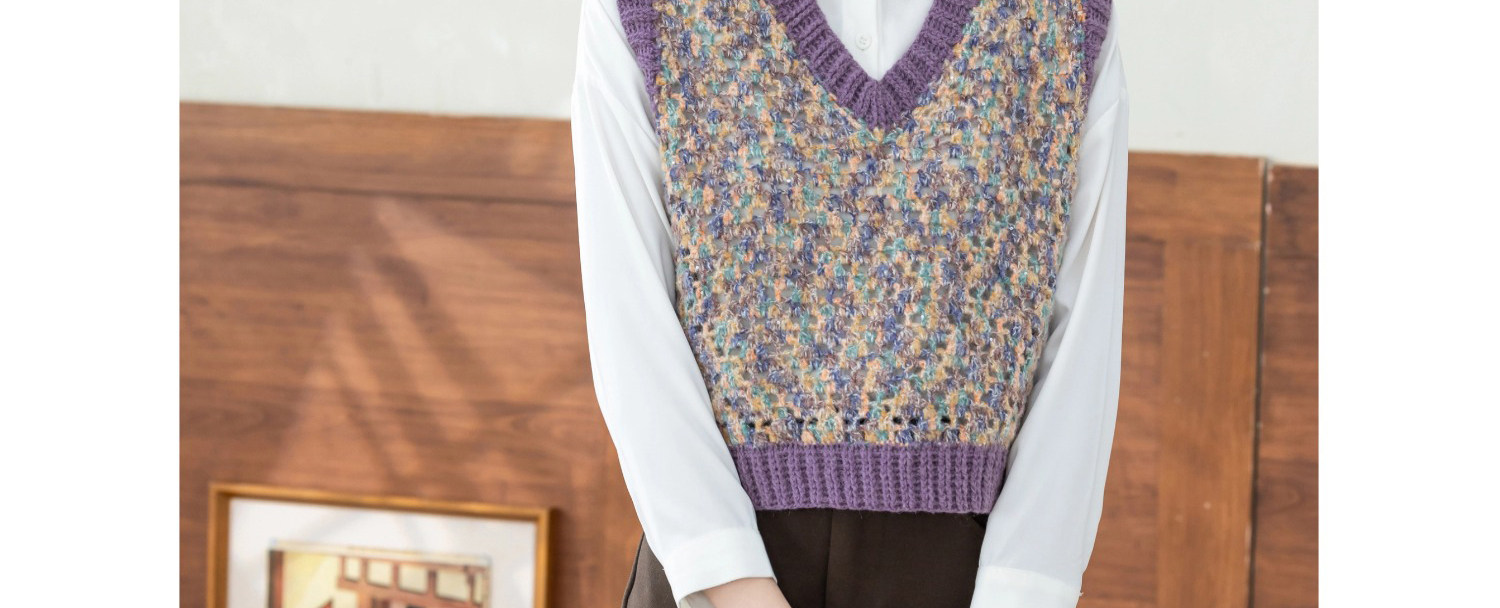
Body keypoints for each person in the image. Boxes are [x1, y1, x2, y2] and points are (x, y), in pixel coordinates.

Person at [570, 0, 1128, 605]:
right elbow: (631, 316)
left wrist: (1020, 593)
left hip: (967, 571)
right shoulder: (647, 12)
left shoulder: (1064, 17)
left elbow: (1081, 343)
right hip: (715, 568)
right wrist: (736, 587)